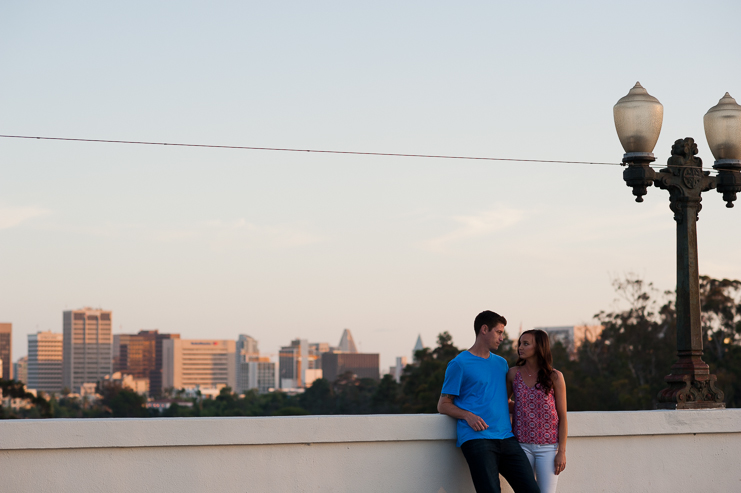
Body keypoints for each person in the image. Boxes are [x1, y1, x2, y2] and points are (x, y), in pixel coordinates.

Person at [438, 311, 540, 493]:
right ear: (484, 329)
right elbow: (443, 404)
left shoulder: (501, 364)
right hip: (478, 439)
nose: (502, 338)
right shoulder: (459, 363)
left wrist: (530, 407)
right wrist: (467, 415)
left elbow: (502, 399)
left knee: (531, 489)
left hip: (506, 437)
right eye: (499, 332)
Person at [506, 330, 567, 493]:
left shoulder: (554, 376)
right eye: (520, 343)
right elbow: (504, 403)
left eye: (526, 343)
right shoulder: (513, 374)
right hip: (521, 446)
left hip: (548, 448)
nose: (520, 347)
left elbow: (562, 417)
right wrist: (521, 407)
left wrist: (561, 452)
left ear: (539, 347)